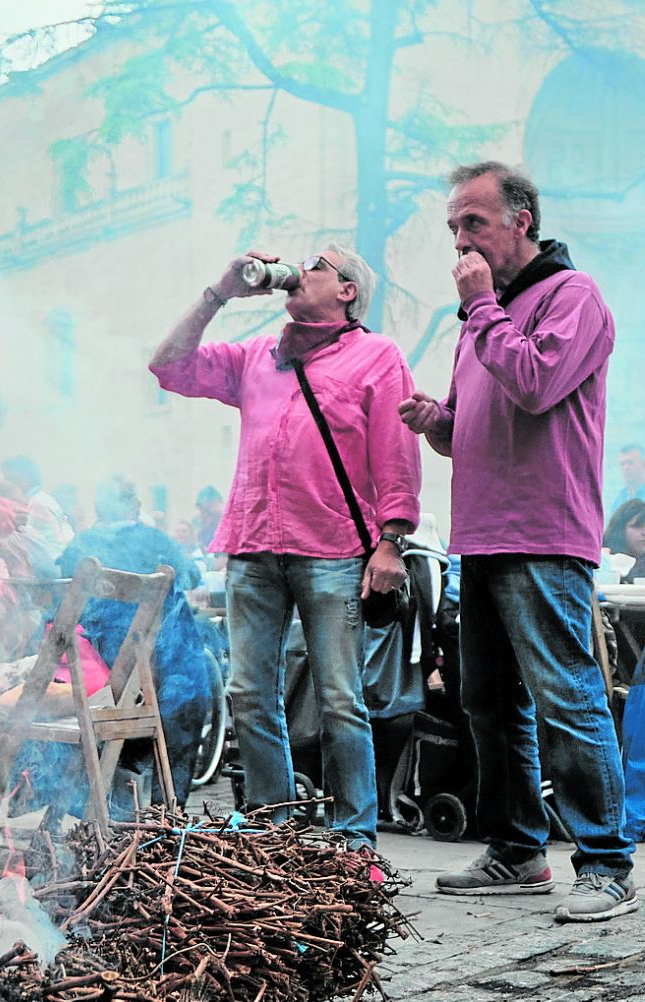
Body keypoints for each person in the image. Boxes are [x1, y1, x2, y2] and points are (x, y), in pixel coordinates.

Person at [398, 161, 634, 923]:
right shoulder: (482, 321)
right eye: (453, 227)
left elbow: (535, 383)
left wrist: (479, 313)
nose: (461, 240)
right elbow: (469, 430)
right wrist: (438, 421)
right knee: (488, 704)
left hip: (544, 530)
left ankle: (605, 864)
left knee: (566, 696)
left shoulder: (574, 297)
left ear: (521, 219)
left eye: (474, 222)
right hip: (482, 533)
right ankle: (517, 850)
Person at [149, 242, 420, 850]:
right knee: (249, 694)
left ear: (347, 290)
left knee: (340, 698)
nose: (299, 271)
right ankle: (275, 836)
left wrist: (391, 543)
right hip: (252, 543)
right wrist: (219, 293)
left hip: (332, 549)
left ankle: (356, 842)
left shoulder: (377, 356)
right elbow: (168, 366)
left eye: (317, 266)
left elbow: (397, 458)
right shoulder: (257, 356)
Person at [51, 476, 212, 803]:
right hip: (161, 693)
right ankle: (168, 813)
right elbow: (192, 575)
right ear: (136, 507)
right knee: (191, 676)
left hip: (94, 687)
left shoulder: (79, 547)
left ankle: (104, 805)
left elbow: (56, 599)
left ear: (99, 509)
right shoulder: (156, 540)